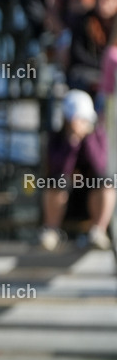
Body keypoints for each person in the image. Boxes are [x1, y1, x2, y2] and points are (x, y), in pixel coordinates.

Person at [40, 89, 114, 251]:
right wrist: (72, 143)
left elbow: (98, 165)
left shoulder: (97, 136)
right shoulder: (56, 139)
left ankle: (98, 231)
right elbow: (59, 169)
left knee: (106, 182)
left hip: (89, 199)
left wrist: (86, 139)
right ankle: (51, 231)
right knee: (56, 180)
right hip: (64, 201)